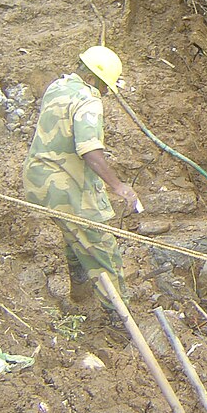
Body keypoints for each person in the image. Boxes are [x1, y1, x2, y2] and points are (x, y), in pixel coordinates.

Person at [23, 47, 140, 315]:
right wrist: (118, 186)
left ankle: (80, 292)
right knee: (103, 249)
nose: (107, 92)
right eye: (107, 85)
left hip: (37, 180)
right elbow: (89, 150)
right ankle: (119, 319)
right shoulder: (88, 99)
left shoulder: (58, 86)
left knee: (74, 233)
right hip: (63, 186)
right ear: (97, 78)